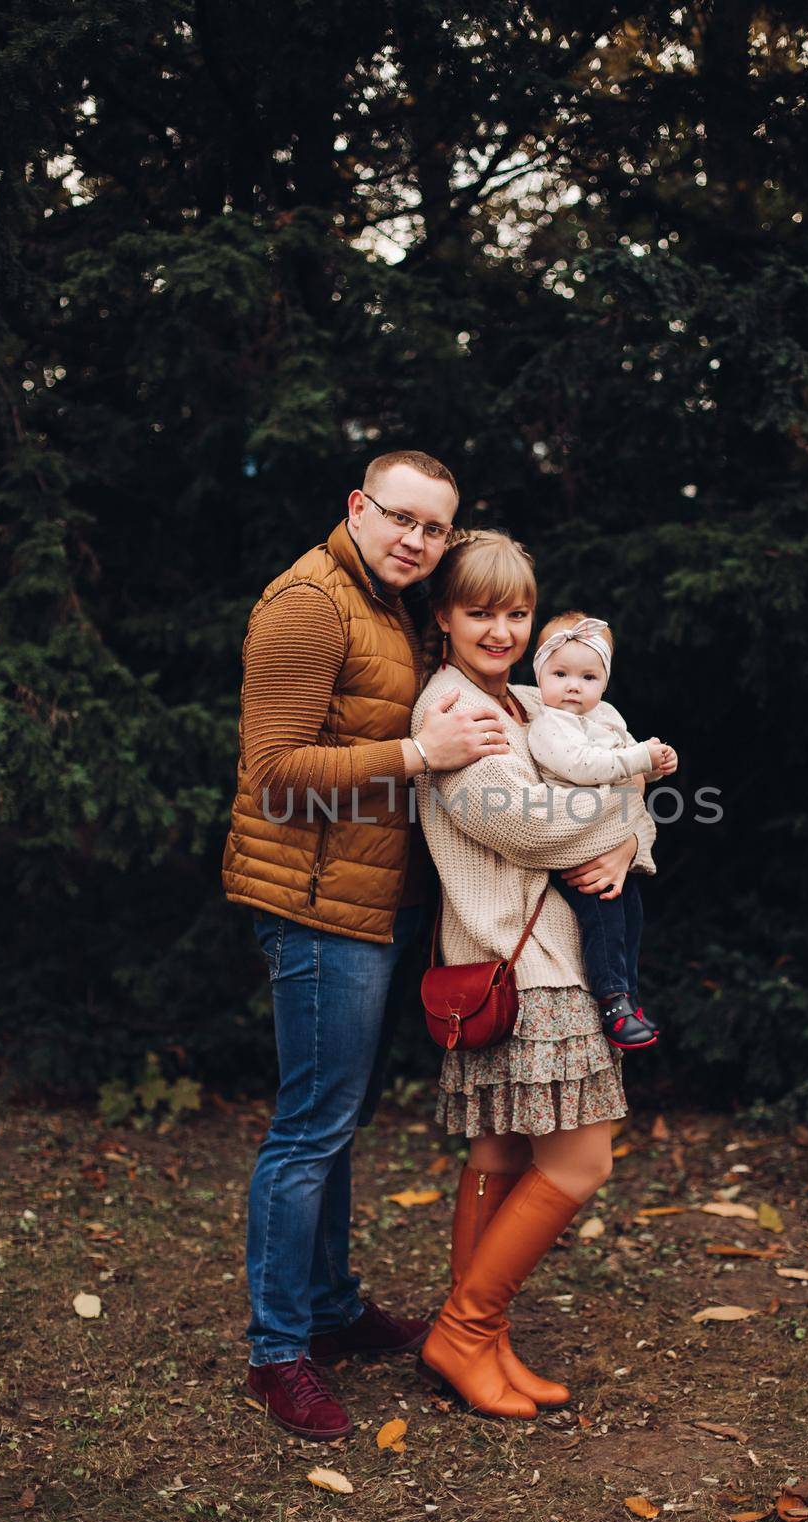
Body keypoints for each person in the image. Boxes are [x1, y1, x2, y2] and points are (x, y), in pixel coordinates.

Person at [222, 452, 512, 1441]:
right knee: (308, 1127)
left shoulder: (388, 602)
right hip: (311, 905)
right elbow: (275, 776)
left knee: (334, 1119)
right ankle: (277, 1351)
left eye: (433, 529)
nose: (416, 542)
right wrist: (419, 756)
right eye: (400, 519)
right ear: (357, 505)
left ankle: (332, 1309)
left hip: (367, 898)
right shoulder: (308, 603)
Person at [409, 531, 660, 1419]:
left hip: (538, 958)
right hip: (524, 963)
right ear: (442, 616)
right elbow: (532, 828)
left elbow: (624, 801)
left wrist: (632, 839)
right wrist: (617, 818)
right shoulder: (454, 708)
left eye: (516, 612)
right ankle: (466, 1332)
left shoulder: (526, 700)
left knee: (503, 1151)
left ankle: (480, 1337)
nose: (500, 629)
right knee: (582, 1160)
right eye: (479, 612)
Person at [527, 611, 679, 1049]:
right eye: (560, 674)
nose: (573, 686)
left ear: (604, 682)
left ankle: (629, 995)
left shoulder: (606, 716)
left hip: (610, 843)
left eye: (588, 676)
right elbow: (586, 768)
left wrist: (657, 765)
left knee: (631, 914)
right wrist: (639, 763)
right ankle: (611, 1001)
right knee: (605, 921)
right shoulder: (549, 725)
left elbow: (630, 765)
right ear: (540, 676)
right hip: (574, 847)